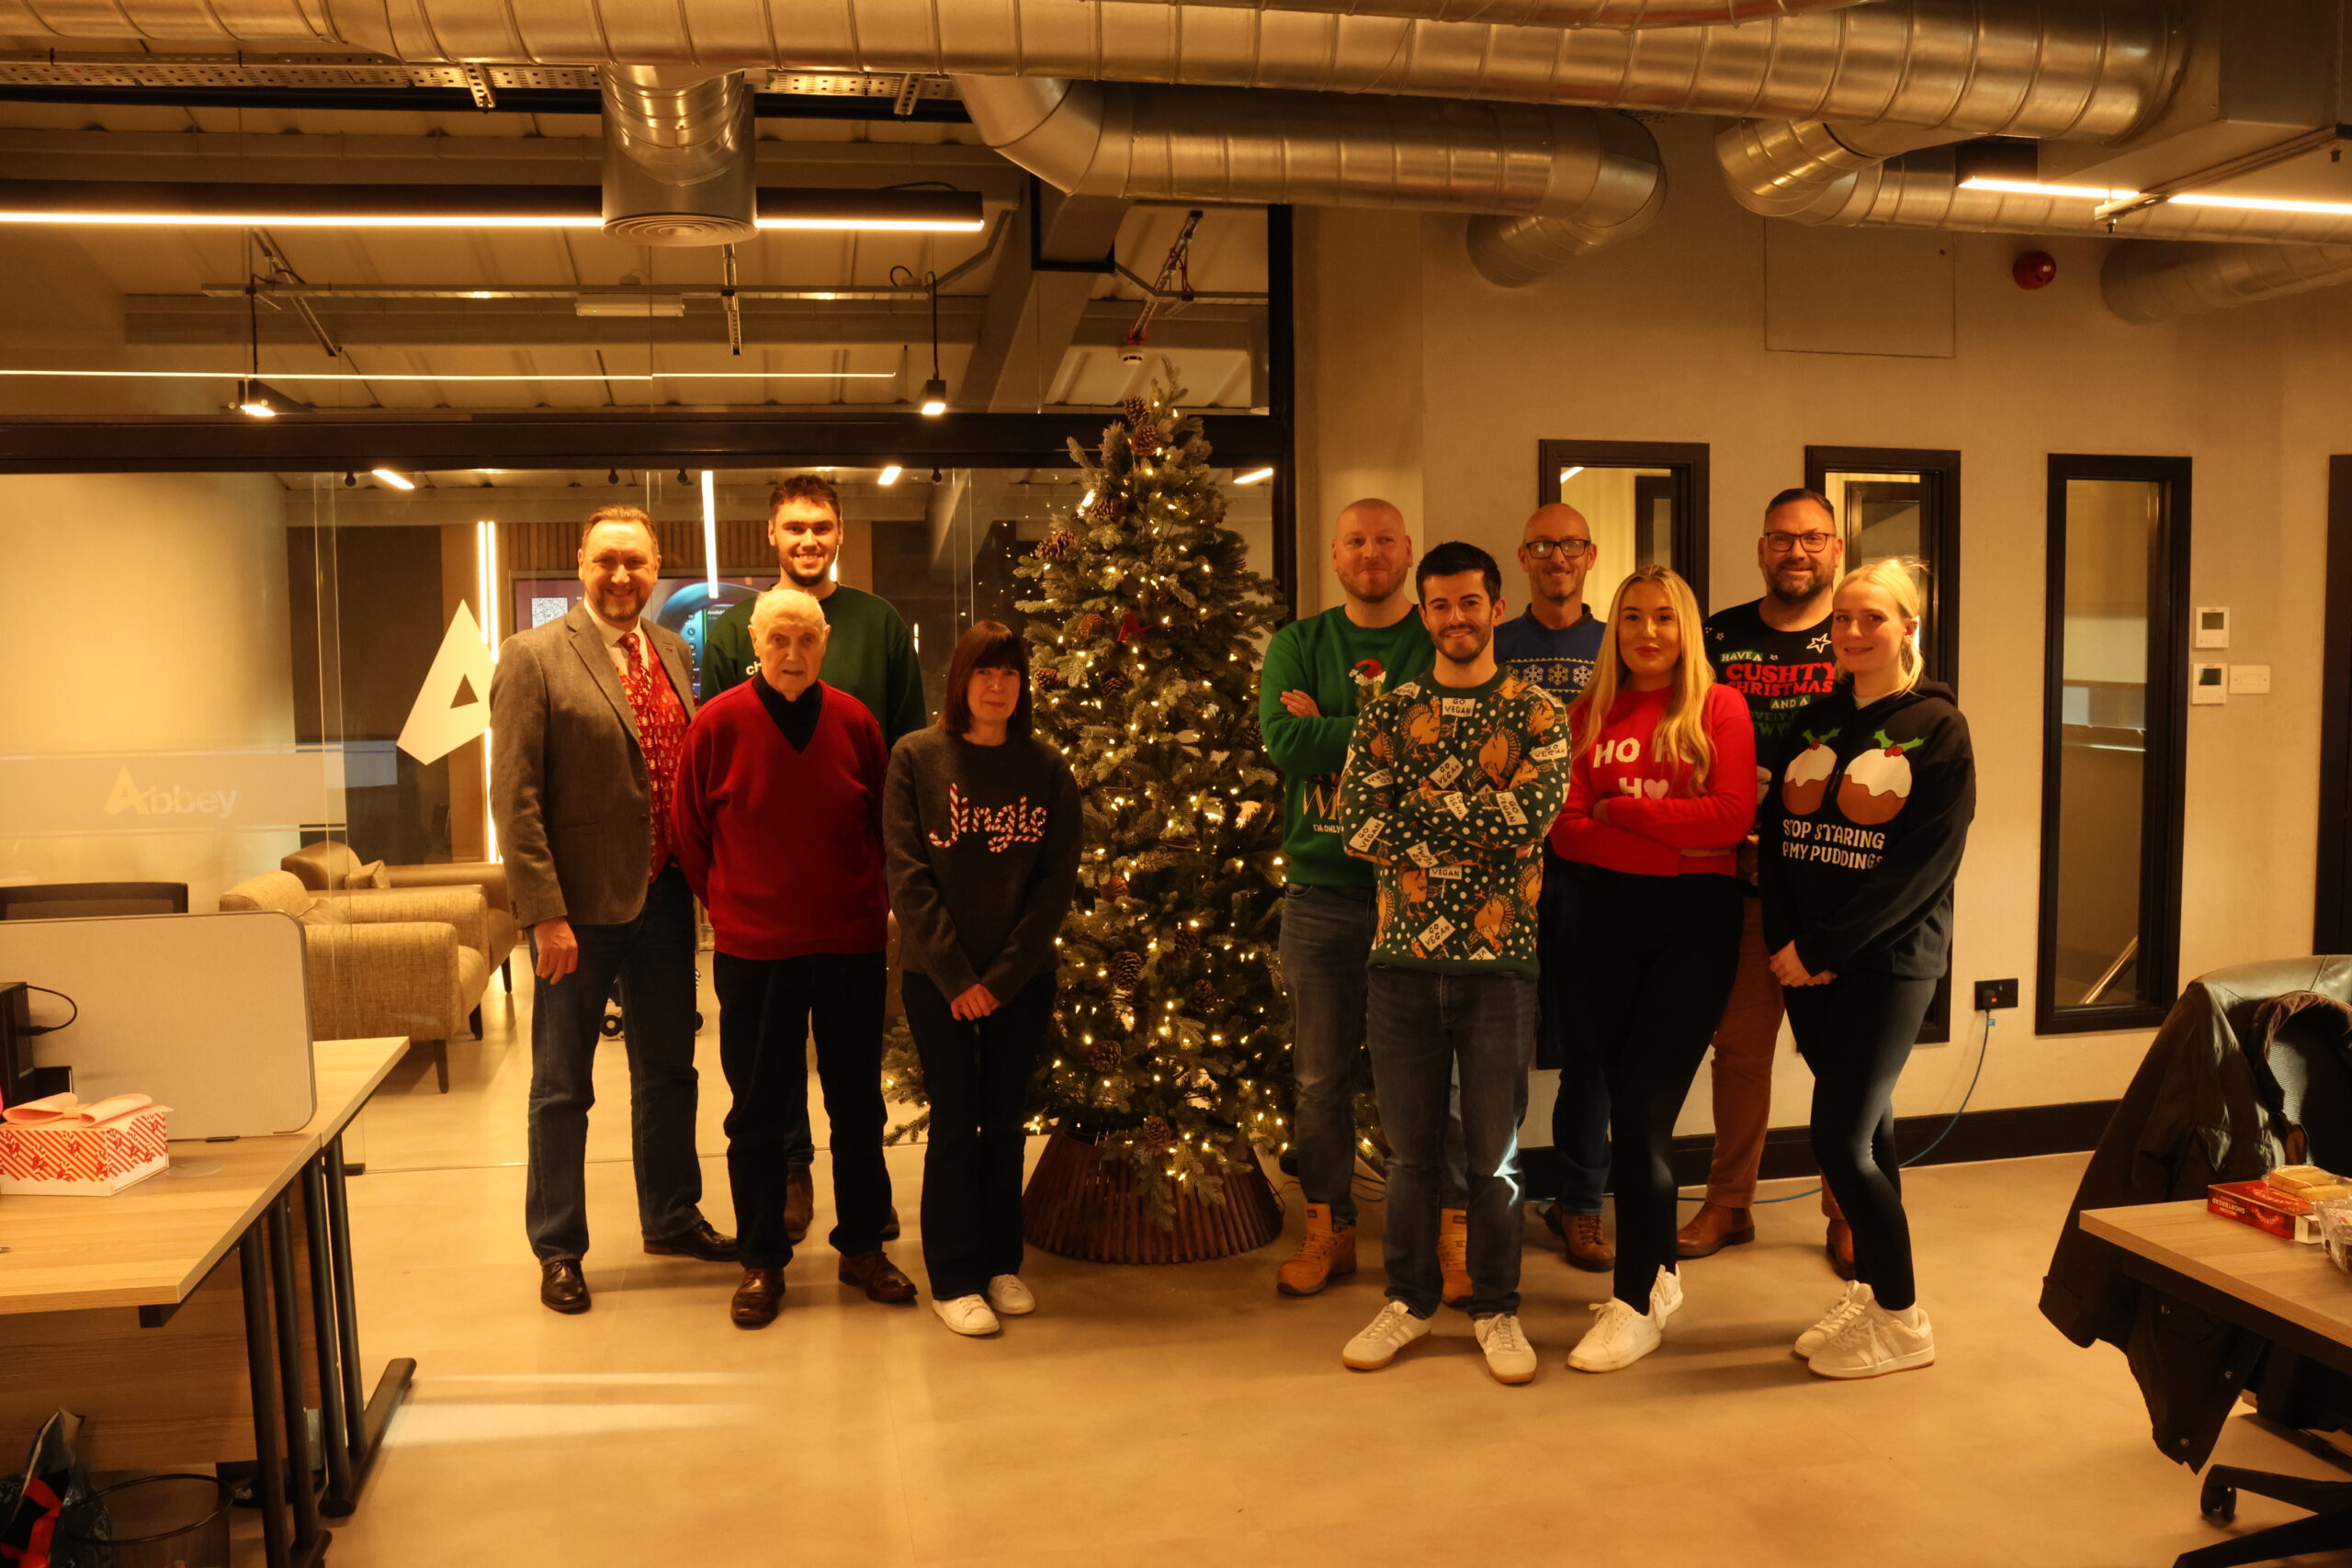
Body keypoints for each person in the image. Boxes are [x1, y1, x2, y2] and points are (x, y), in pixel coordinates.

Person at [1334, 540, 1569, 1387]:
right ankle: (1409, 1298)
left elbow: (1527, 822)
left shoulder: (1540, 712)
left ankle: (1498, 1307)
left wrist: (1422, 818)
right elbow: (1358, 824)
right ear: (1423, 613)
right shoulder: (1387, 713)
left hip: (1501, 967)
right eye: (1440, 605)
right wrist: (1474, 823)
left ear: (1495, 607)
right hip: (1398, 964)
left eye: (1471, 602)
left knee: (1497, 1157)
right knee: (1408, 1155)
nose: (1456, 617)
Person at [490, 504, 736, 1315]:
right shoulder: (532, 657)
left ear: (656, 564)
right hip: (577, 912)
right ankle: (559, 1246)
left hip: (664, 897)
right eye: (607, 561)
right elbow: (516, 799)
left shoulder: (669, 648)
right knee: (563, 1086)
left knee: (667, 1071)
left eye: (636, 560)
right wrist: (543, 914)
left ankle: (670, 1215)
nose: (622, 575)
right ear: (582, 564)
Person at [671, 586, 914, 1328]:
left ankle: (863, 1243)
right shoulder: (717, 725)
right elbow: (688, 832)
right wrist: (737, 901)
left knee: (856, 1103)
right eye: (779, 638)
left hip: (848, 939)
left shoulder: (855, 722)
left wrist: (865, 900)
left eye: (806, 638)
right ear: (754, 640)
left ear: (825, 641)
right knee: (757, 1113)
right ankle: (761, 1258)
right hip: (757, 947)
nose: (792, 652)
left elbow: (883, 822)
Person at [698, 473, 925, 1247]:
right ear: (772, 533)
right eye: (794, 526)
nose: (807, 539)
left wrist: (895, 885)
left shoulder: (877, 631)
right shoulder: (731, 636)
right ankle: (780, 1199)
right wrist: (725, 895)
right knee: (763, 1091)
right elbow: (700, 807)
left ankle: (862, 1223)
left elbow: (904, 770)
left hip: (850, 913)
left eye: (821, 526)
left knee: (855, 1088)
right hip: (758, 921)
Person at [1761, 558, 1973, 1379]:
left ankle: (1903, 1316)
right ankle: (1876, 1289)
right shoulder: (1811, 723)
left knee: (1838, 1139)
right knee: (1872, 1130)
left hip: (1886, 963)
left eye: (1872, 619)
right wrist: (1788, 945)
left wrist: (1823, 949)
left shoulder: (1938, 728)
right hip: (1805, 962)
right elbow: (1778, 843)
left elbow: (1922, 867)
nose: (1853, 632)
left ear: (1908, 628)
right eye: (1843, 619)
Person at [1259, 499, 1466, 1302]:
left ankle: (1453, 1232)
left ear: (1408, 551)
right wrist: (1392, 723)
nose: (1370, 552)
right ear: (1335, 556)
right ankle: (1329, 1227)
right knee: (1318, 1078)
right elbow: (1285, 743)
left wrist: (1336, 722)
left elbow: (1448, 736)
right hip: (1322, 894)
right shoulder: (1299, 643)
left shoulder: (1437, 634)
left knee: (1437, 1075)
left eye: (1385, 539)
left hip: (1419, 893)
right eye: (1356, 541)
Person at [1553, 566, 1756, 1373]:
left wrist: (1626, 812)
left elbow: (1733, 815)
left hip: (1694, 928)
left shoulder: (1720, 706)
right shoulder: (1588, 709)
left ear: (1686, 629)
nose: (1646, 633)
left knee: (1642, 1113)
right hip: (1601, 921)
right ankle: (1661, 1272)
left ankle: (1635, 1301)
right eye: (1632, 618)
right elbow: (1566, 831)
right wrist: (1675, 837)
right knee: (1617, 1105)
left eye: (1663, 619)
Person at [884, 623, 1081, 1337]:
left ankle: (1002, 1263)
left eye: (1010, 674)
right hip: (938, 980)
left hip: (1021, 979)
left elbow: (1054, 885)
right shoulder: (917, 758)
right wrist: (960, 975)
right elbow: (907, 876)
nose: (997, 686)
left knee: (1003, 1121)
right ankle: (954, 1276)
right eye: (984, 673)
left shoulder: (1047, 768)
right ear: (959, 680)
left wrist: (999, 978)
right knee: (955, 1125)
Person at [1685, 488, 1853, 1270]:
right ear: (1761, 548)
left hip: (1833, 887)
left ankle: (1848, 1203)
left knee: (1845, 1057)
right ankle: (1730, 1201)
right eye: (1783, 539)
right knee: (1741, 1050)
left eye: (1813, 539)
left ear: (1837, 549)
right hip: (1743, 877)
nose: (1797, 552)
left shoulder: (1857, 633)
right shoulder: (1717, 635)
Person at [1493, 502, 1612, 1273]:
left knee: (1591, 1049)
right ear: (1524, 556)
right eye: (1542, 545)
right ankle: (1488, 1207)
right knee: (1494, 1045)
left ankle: (1580, 1203)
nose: (1557, 556)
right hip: (1506, 869)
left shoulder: (1617, 647)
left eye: (1570, 544)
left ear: (1590, 554)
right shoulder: (1497, 645)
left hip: (1593, 870)